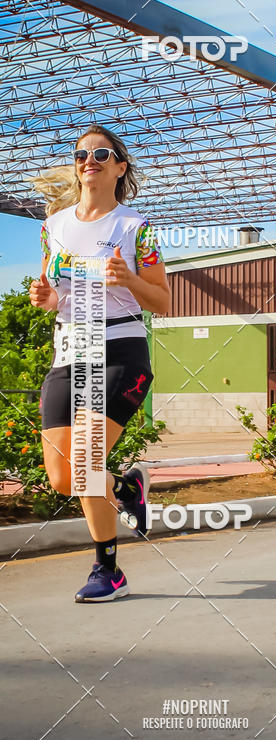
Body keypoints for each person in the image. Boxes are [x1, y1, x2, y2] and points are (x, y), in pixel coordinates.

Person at [29, 124, 169, 602]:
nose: (90, 160)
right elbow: (53, 297)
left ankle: (107, 570)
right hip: (68, 351)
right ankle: (127, 489)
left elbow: (163, 302)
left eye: (102, 154)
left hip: (118, 351)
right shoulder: (54, 226)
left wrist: (129, 278)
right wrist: (45, 297)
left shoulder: (135, 227)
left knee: (87, 463)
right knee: (63, 476)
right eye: (82, 154)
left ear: (119, 167)